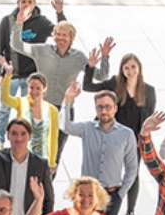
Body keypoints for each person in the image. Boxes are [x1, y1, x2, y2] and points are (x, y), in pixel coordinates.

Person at [11, 10, 109, 160]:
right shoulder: (42, 50)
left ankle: (49, 181)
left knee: (55, 152)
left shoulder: (79, 57)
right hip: (40, 107)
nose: (60, 38)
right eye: (58, 34)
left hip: (63, 110)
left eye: (64, 35)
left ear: (71, 38)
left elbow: (101, 76)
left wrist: (104, 57)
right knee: (33, 148)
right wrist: (18, 24)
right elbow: (17, 45)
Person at [83, 52, 157, 215]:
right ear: (122, 70)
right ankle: (96, 204)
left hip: (134, 138)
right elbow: (88, 86)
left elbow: (149, 116)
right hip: (111, 135)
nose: (130, 71)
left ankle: (130, 210)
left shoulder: (148, 91)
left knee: (133, 173)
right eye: (126, 67)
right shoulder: (115, 84)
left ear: (139, 68)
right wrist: (91, 67)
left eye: (133, 67)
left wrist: (147, 134)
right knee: (102, 170)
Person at [0, 0, 66, 149]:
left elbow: (62, 32)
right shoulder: (8, 21)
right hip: (11, 74)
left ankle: (27, 139)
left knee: (28, 111)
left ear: (34, 4)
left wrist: (59, 13)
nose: (26, 4)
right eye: (23, 1)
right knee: (5, 108)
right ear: (18, 3)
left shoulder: (41, 22)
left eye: (29, 2)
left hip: (31, 77)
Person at [61, 83, 139, 215]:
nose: (104, 111)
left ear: (115, 108)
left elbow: (132, 167)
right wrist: (67, 101)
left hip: (111, 195)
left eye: (108, 107)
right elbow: (66, 126)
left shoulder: (127, 134)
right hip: (86, 193)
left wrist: (121, 194)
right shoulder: (87, 129)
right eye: (100, 107)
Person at [0, 65, 59, 170]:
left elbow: (53, 138)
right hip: (21, 156)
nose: (34, 91)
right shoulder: (21, 102)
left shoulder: (52, 110)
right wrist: (8, 76)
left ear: (44, 89)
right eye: (31, 87)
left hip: (41, 159)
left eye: (38, 88)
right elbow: (5, 99)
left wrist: (52, 162)